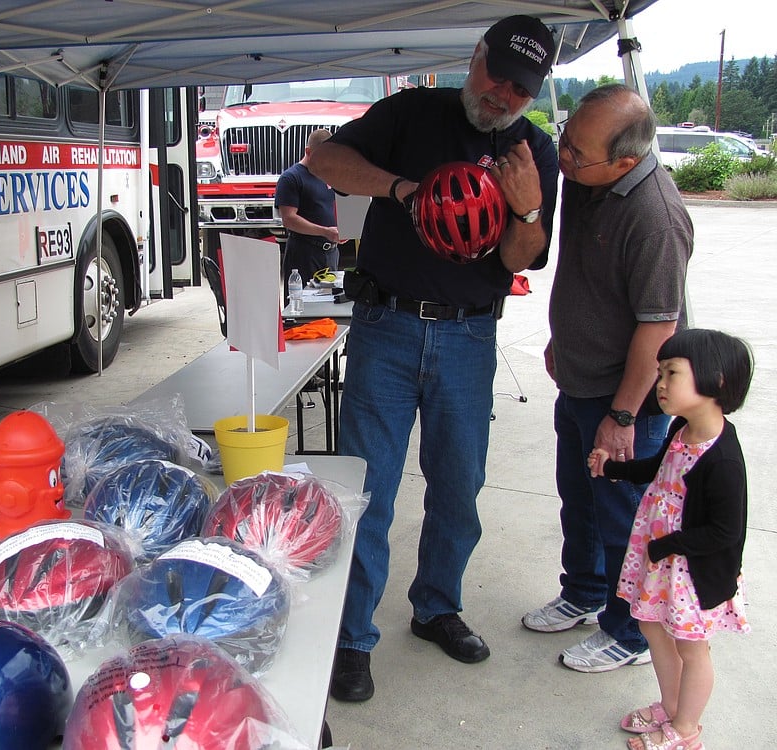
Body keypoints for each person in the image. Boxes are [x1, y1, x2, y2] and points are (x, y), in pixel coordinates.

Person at [308, 15, 560, 703]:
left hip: (469, 338)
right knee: (370, 492)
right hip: (386, 325)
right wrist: (401, 188)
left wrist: (528, 208)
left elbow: (517, 258)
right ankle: (353, 637)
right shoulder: (413, 111)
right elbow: (321, 161)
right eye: (496, 76)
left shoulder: (534, 150)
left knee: (458, 487)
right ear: (474, 58)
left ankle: (436, 607)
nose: (503, 96)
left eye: (521, 89)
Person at [522, 84, 694, 673]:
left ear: (625, 162)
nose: (563, 159)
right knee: (580, 499)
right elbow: (587, 281)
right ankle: (585, 592)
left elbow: (658, 330)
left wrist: (622, 417)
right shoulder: (589, 178)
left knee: (625, 518)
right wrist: (563, 337)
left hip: (628, 400)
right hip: (580, 380)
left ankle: (631, 633)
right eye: (566, 142)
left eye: (576, 153)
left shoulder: (657, 218)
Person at [588, 329, 753, 750]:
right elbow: (656, 470)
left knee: (691, 645)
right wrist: (613, 470)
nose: (660, 383)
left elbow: (725, 532)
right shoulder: (681, 428)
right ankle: (671, 704)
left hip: (693, 570)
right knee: (650, 625)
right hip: (663, 559)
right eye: (660, 372)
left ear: (716, 381)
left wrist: (664, 546)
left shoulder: (724, 460)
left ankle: (686, 730)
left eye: (671, 373)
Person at [274, 128, 339, 301]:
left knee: (328, 302)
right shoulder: (291, 178)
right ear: (308, 151)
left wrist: (342, 230)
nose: (323, 163)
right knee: (301, 302)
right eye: (319, 158)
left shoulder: (327, 176)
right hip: (305, 251)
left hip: (330, 251)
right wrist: (325, 231)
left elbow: (331, 207)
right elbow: (289, 219)